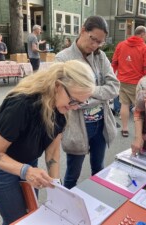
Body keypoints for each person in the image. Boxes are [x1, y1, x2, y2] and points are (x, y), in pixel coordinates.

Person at [0, 60, 95, 225]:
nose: (75, 108)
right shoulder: (21, 105)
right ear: (57, 86)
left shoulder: (62, 110)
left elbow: (52, 152)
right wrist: (26, 171)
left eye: (81, 103)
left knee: (32, 212)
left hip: (27, 160)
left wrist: (56, 186)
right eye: (74, 101)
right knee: (17, 219)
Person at [55, 16, 120, 189]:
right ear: (83, 30)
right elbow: (66, 99)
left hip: (100, 123)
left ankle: (97, 204)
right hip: (77, 125)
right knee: (72, 173)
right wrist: (100, 94)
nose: (95, 46)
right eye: (93, 39)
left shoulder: (100, 56)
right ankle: (67, 204)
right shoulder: (63, 59)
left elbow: (114, 88)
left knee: (99, 169)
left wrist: (88, 92)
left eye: (100, 42)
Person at [112, 26, 146, 137]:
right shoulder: (145, 48)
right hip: (137, 83)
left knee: (124, 105)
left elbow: (114, 62)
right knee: (141, 109)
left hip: (122, 80)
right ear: (142, 34)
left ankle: (124, 129)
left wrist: (112, 76)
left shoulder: (121, 45)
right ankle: (141, 134)